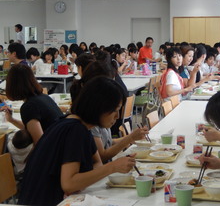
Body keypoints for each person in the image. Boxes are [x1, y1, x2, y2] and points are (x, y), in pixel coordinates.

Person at [18, 77, 137, 206]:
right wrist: (113, 167)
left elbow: (97, 162)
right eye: (115, 109)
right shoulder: (75, 130)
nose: (117, 116)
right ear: (99, 107)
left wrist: (83, 179)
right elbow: (69, 184)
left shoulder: (75, 124)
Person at [3, 64, 63, 145]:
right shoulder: (44, 97)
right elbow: (33, 130)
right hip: (64, 146)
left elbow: (40, 143)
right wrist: (12, 120)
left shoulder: (29, 106)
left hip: (55, 151)